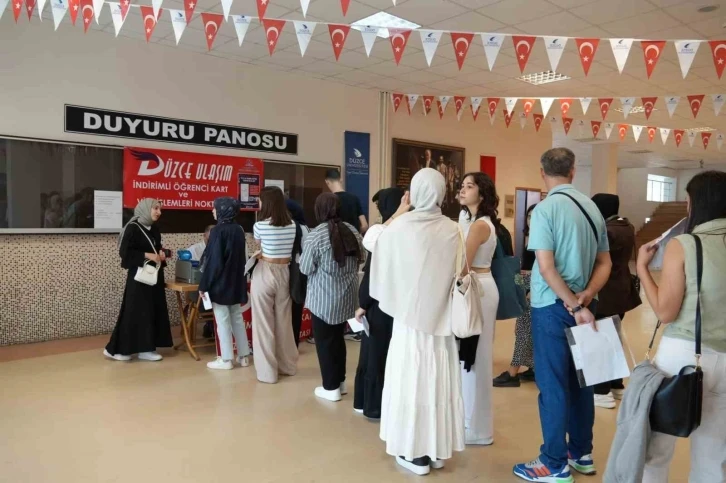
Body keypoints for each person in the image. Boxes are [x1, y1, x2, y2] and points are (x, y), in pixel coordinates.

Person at [513, 147, 611, 482]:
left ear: (542, 172)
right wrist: (586, 298)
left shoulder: (545, 210)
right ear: (573, 171)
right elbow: (605, 263)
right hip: (586, 307)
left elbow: (546, 267)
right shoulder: (592, 208)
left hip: (553, 308)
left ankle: (553, 463)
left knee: (553, 386)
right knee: (582, 382)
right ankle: (581, 453)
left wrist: (573, 304)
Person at [368, 168, 464, 476]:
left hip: (409, 323)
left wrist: (399, 212)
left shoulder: (400, 227)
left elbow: (371, 239)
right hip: (440, 323)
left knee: (410, 383)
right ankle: (435, 450)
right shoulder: (453, 229)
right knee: (437, 385)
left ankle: (413, 452)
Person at [636, 171, 726, 482]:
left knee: (656, 450)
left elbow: (666, 311)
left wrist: (642, 268)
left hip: (683, 355)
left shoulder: (686, 244)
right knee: (714, 457)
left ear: (696, 203)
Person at [300, 193, 363, 402]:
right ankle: (341, 382)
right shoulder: (352, 230)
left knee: (325, 343)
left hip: (323, 299)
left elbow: (305, 268)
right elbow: (361, 257)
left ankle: (330, 387)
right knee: (338, 341)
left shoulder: (316, 235)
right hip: (347, 298)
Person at [457, 172, 500, 446]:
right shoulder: (469, 221)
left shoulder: (480, 226)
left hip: (479, 289)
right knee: (468, 357)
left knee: (477, 358)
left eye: (469, 186)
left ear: (482, 194)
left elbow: (463, 264)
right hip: (476, 287)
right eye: (462, 185)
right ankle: (469, 420)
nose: (462, 190)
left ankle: (479, 428)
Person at [353, 187, 404, 419]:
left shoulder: (382, 236)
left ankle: (372, 404)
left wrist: (363, 303)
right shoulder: (406, 233)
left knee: (374, 355)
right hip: (398, 305)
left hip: (378, 305)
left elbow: (373, 274)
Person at [104, 198, 173, 362]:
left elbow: (156, 247)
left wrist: (161, 253)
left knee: (151, 311)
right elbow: (125, 253)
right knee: (134, 312)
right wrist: (147, 255)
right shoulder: (133, 228)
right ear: (145, 209)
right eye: (155, 208)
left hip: (153, 276)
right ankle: (118, 350)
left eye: (160, 209)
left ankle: (147, 349)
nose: (159, 212)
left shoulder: (154, 229)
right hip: (139, 278)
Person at [591, 193, 642, 409]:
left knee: (601, 341)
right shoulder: (626, 227)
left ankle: (601, 391)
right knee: (613, 338)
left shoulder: (607, 231)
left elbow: (596, 259)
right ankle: (616, 385)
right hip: (622, 291)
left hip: (606, 292)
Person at [251, 187, 298, 384]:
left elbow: (259, 246)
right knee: (284, 321)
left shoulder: (259, 225)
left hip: (265, 270)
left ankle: (267, 373)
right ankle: (287, 366)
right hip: (285, 272)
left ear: (267, 202)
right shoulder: (293, 225)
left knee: (263, 323)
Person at [198, 197, 251, 371]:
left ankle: (226, 359)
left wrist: (204, 285)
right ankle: (244, 356)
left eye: (215, 208)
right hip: (236, 282)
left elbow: (213, 262)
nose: (213, 211)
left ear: (222, 210)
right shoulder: (239, 229)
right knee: (237, 318)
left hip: (220, 283)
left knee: (222, 320)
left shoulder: (217, 231)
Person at [494, 203, 537, 388]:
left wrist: (531, 290)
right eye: (529, 216)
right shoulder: (529, 236)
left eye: (535, 216)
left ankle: (513, 372)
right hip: (525, 282)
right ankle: (534, 367)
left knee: (523, 330)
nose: (531, 220)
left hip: (534, 286)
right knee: (525, 329)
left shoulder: (544, 237)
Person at [286, 196, 311, 347]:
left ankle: (288, 343)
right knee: (297, 308)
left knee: (289, 308)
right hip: (301, 271)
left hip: (291, 271)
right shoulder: (305, 227)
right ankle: (294, 342)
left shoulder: (292, 227)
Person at [325, 168, 368, 234]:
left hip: (336, 239)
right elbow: (365, 225)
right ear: (341, 180)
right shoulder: (354, 198)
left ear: (327, 182)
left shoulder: (328, 201)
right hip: (353, 239)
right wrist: (355, 233)